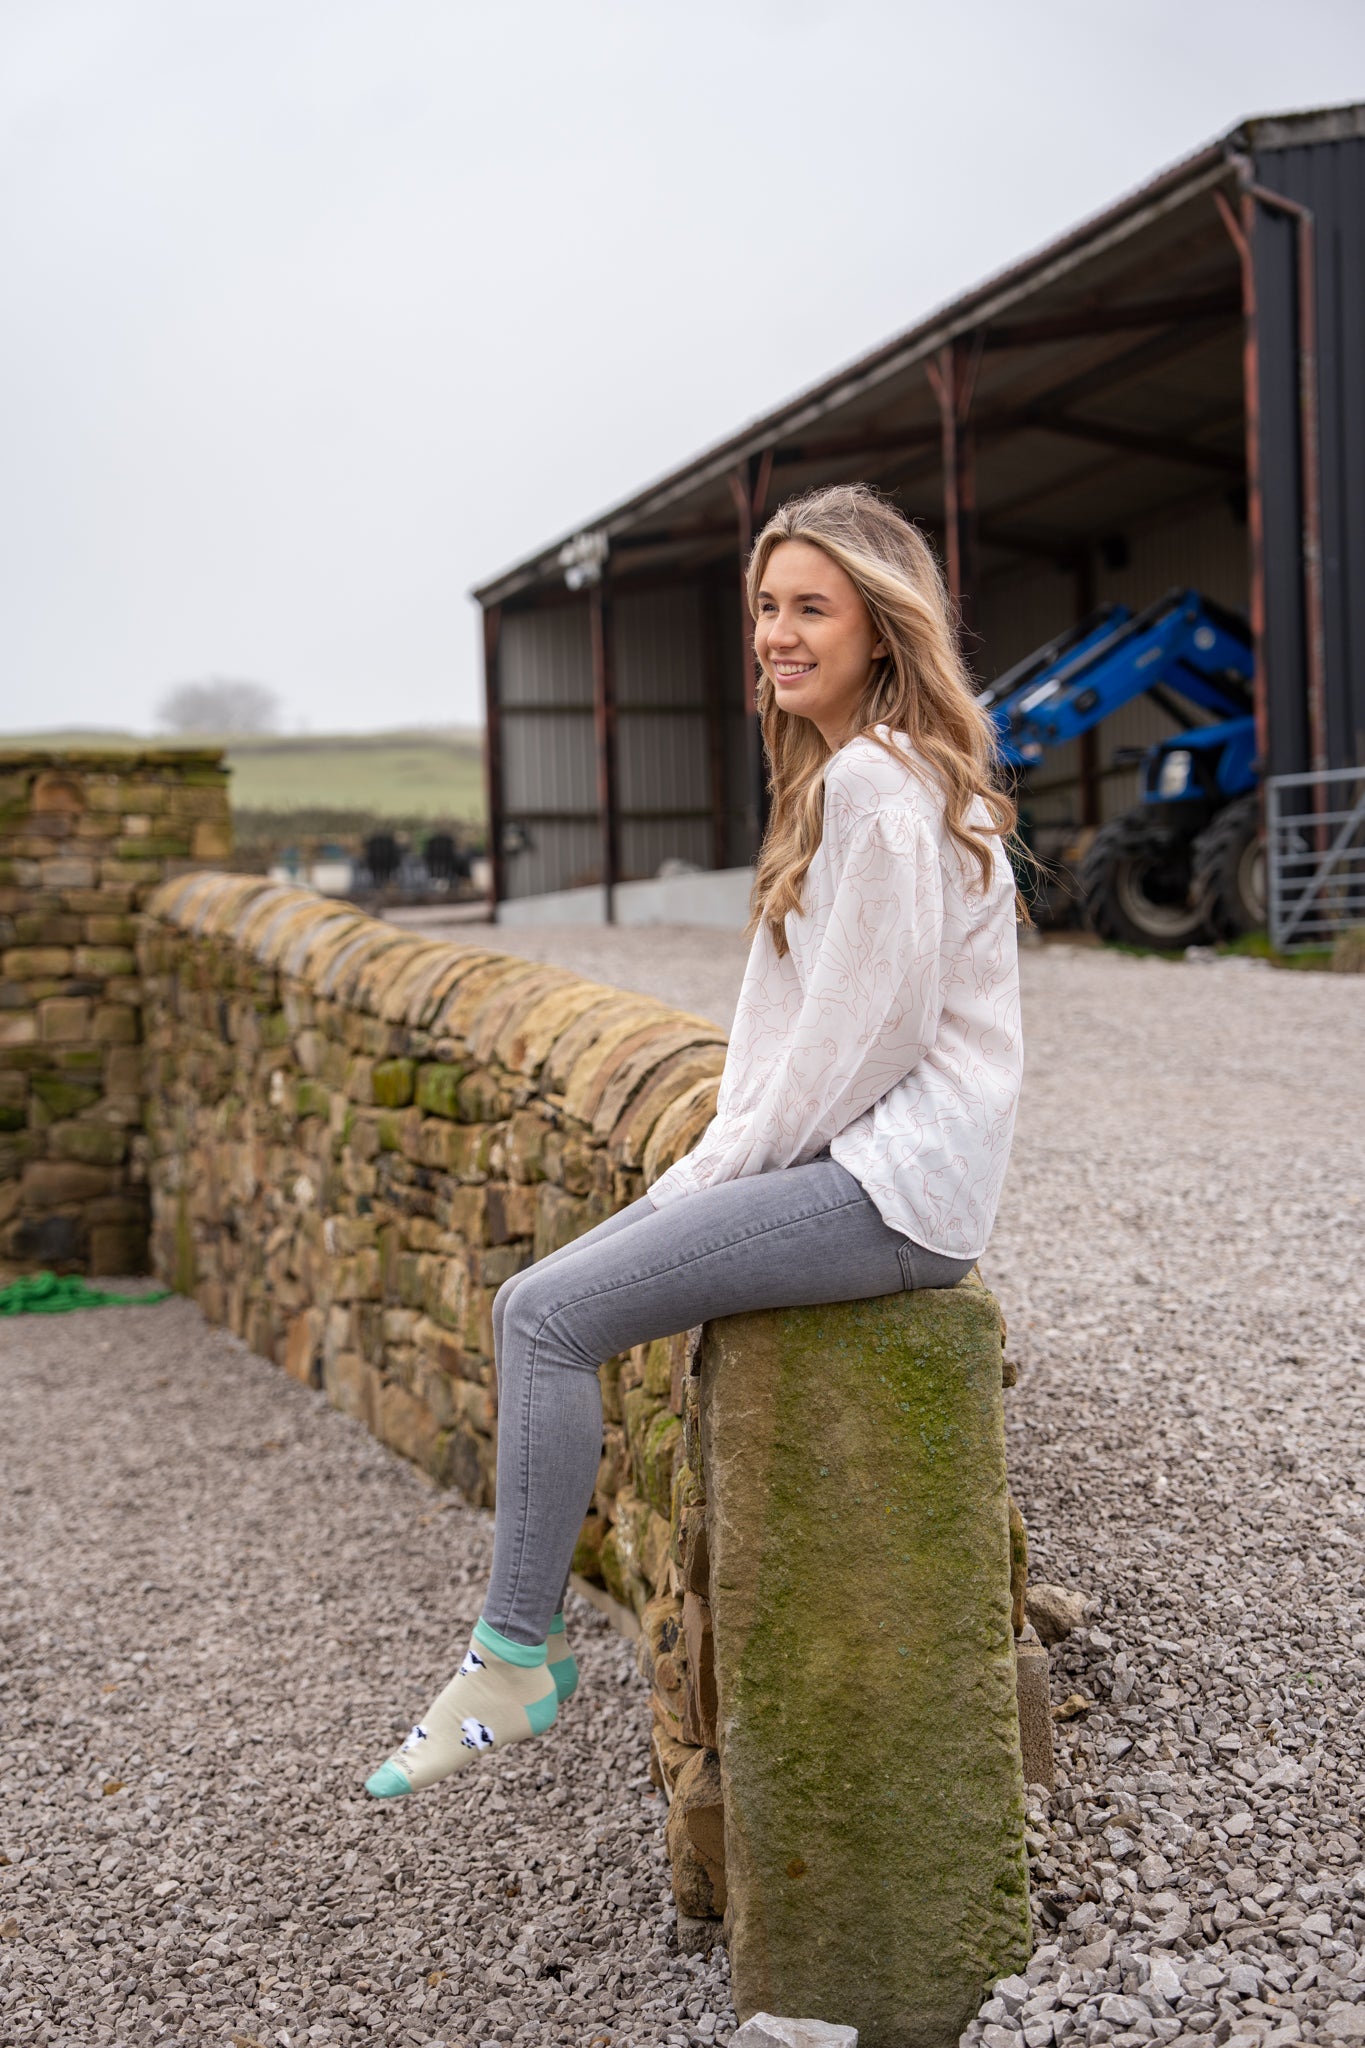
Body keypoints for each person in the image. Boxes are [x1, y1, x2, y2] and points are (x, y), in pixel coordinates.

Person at [364, 482, 1024, 1799]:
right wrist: (704, 1169)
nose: (778, 635)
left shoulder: (878, 787)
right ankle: (511, 1652)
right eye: (765, 609)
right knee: (530, 1304)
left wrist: (712, 1175)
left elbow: (859, 1046)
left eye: (809, 609)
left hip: (889, 1188)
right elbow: (795, 1044)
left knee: (550, 1318)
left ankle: (513, 1659)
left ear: (880, 628)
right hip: (855, 1172)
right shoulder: (845, 779)